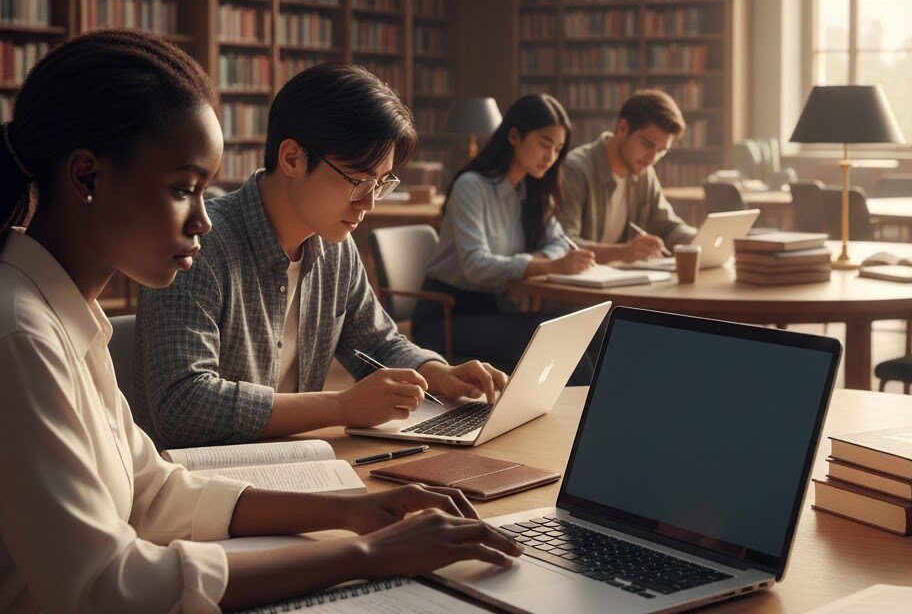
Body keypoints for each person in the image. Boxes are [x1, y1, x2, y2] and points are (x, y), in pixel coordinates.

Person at [0, 30, 519, 612]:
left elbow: (151, 491)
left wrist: (351, 513)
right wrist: (365, 555)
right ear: (87, 177)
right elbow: (105, 586)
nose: (201, 220)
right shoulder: (20, 334)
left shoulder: (68, 316)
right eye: (181, 190)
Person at [134, 63, 508, 451]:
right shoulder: (200, 243)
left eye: (381, 184)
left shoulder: (334, 246)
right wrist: (340, 406)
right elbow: (182, 406)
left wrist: (437, 373)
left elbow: (376, 342)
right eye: (358, 181)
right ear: (293, 158)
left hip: (294, 461)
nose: (369, 204)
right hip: (201, 483)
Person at [411, 94, 595, 376]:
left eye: (558, 149)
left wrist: (540, 259)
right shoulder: (471, 187)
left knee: (592, 331)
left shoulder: (532, 191)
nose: (551, 157)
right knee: (566, 348)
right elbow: (476, 266)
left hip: (496, 311)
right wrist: (546, 265)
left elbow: (559, 241)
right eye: (545, 145)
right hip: (448, 316)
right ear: (514, 136)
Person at [559, 89, 697, 263]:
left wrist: (698, 238)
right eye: (647, 144)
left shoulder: (644, 171)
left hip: (621, 283)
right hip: (578, 285)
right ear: (622, 128)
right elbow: (562, 244)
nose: (652, 159)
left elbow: (667, 226)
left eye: (661, 151)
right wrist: (622, 252)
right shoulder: (576, 169)